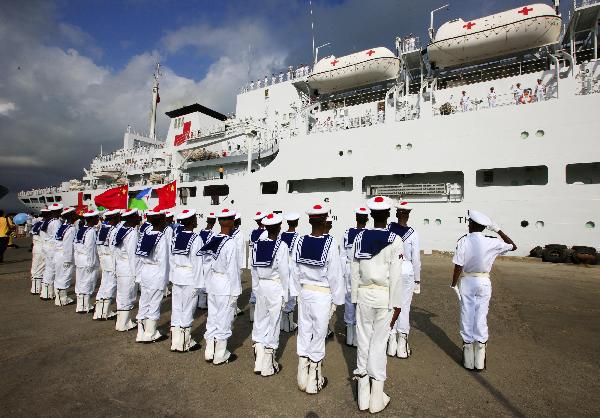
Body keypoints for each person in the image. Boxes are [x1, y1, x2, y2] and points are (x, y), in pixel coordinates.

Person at [350, 196, 404, 413]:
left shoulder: (359, 237)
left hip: (363, 295)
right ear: (388, 215)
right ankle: (376, 398)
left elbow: (353, 271)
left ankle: (363, 397)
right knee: (379, 345)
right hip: (384, 297)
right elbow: (396, 276)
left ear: (371, 215)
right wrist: (397, 304)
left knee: (363, 342)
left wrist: (354, 298)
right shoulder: (395, 239)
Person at [450, 210, 517, 371]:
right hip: (484, 281)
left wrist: (453, 283)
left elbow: (458, 264)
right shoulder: (491, 241)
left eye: (469, 222)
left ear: (472, 224)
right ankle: (480, 356)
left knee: (467, 314)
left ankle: (468, 356)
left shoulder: (464, 241)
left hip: (467, 280)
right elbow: (513, 246)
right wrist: (497, 229)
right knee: (481, 314)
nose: (468, 224)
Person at [291, 204, 344, 394]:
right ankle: (313, 380)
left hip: (304, 293)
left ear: (309, 221)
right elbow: (335, 274)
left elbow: (294, 271)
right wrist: (337, 300)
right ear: (324, 221)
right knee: (319, 335)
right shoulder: (330, 243)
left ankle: (301, 376)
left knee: (304, 331)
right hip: (322, 294)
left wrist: (298, 292)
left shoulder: (299, 242)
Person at [198, 207, 241, 365]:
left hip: (214, 283)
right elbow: (233, 270)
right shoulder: (230, 243)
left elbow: (206, 264)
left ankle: (209, 351)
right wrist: (235, 292)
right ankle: (220, 354)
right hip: (225, 284)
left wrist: (208, 285)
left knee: (213, 318)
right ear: (231, 222)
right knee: (224, 319)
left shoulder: (213, 239)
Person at [251, 213, 291, 376]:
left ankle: (258, 362)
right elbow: (284, 273)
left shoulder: (257, 245)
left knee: (260, 322)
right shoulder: (281, 246)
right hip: (275, 287)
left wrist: (255, 288)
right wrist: (285, 294)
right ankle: (268, 365)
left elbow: (253, 270)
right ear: (279, 227)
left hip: (261, 286)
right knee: (273, 323)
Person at [387, 201, 421, 358]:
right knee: (404, 307)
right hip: (407, 270)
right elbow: (416, 260)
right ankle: (402, 345)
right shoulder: (413, 233)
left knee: (391, 305)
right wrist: (417, 280)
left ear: (396, 214)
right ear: (408, 215)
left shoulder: (388, 229)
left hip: (391, 269)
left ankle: (391, 342)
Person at [170, 209, 203, 352]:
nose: (196, 220)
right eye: (194, 218)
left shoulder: (175, 236)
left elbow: (171, 259)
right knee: (188, 309)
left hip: (177, 276)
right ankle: (184, 343)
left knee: (177, 309)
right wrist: (199, 284)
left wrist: (172, 276)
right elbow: (198, 263)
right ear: (190, 221)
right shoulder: (196, 238)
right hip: (189, 277)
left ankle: (175, 342)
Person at [135, 210, 170, 343]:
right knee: (154, 304)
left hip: (145, 272)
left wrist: (139, 275)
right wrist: (164, 281)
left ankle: (141, 332)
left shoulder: (144, 234)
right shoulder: (161, 237)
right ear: (161, 221)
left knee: (144, 303)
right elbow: (163, 261)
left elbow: (138, 257)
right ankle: (150, 333)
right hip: (156, 272)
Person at [341, 207, 370, 347]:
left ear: (356, 218)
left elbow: (342, 255)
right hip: (363, 269)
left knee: (349, 299)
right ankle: (359, 335)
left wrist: (342, 273)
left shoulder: (347, 232)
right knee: (361, 300)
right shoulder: (369, 234)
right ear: (367, 219)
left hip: (348, 268)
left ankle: (349, 333)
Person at [113, 208, 142, 332]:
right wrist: (137, 274)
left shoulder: (120, 230)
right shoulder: (132, 233)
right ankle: (124, 324)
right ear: (131, 218)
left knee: (121, 295)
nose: (139, 218)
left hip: (120, 266)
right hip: (128, 269)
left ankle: (122, 321)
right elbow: (133, 256)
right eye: (136, 216)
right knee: (128, 295)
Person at [93, 209, 121, 320]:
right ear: (115, 217)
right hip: (111, 259)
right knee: (111, 285)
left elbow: (98, 246)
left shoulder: (102, 229)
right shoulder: (114, 230)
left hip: (104, 259)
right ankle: (105, 312)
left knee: (104, 284)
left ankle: (99, 310)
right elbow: (114, 248)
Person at [73, 210, 100, 313]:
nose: (98, 219)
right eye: (96, 218)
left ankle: (81, 305)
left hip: (79, 259)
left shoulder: (81, 229)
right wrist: (91, 263)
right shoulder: (91, 231)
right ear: (92, 219)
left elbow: (75, 245)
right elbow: (90, 249)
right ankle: (85, 306)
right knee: (88, 282)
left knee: (80, 282)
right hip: (87, 260)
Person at [279, 212, 300, 332]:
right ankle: (289, 324)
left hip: (282, 266)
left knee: (283, 293)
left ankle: (283, 323)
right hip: (292, 266)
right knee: (292, 294)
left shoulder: (281, 235)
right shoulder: (297, 236)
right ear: (296, 223)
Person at [54, 207, 78, 307]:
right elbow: (68, 245)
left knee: (59, 276)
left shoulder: (62, 226)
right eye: (74, 213)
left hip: (58, 254)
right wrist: (68, 259)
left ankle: (59, 297)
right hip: (65, 255)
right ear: (71, 216)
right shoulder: (71, 229)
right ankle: (62, 299)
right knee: (65, 276)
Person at [40, 203, 63, 300]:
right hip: (52, 248)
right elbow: (57, 237)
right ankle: (51, 293)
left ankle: (46, 292)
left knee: (48, 269)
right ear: (58, 211)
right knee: (54, 270)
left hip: (46, 246)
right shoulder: (56, 222)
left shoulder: (48, 221)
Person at [248, 211, 267, 321]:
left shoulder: (252, 233)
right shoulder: (267, 233)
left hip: (254, 263)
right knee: (264, 286)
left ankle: (252, 312)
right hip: (264, 263)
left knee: (255, 286)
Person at [197, 212, 216, 309]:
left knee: (201, 281)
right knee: (209, 283)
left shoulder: (201, 232)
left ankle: (201, 303)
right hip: (209, 261)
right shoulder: (213, 234)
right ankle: (206, 303)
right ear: (214, 222)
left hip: (201, 259)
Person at [29, 209, 49, 294]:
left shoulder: (37, 223)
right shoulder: (46, 224)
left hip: (36, 247)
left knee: (35, 268)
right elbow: (45, 238)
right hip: (42, 247)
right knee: (44, 268)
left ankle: (34, 288)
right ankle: (40, 290)